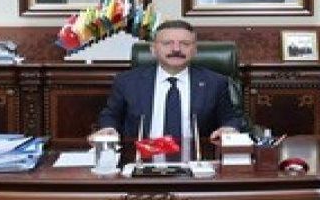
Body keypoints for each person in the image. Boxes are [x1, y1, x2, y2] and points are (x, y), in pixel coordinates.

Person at [92, 20, 244, 148]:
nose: (176, 49)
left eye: (185, 43)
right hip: (140, 156)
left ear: (194, 50)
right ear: (153, 49)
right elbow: (111, 115)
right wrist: (109, 128)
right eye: (167, 43)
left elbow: (230, 117)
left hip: (197, 158)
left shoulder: (215, 82)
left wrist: (228, 128)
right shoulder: (127, 81)